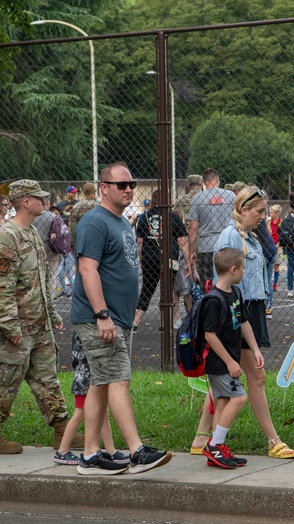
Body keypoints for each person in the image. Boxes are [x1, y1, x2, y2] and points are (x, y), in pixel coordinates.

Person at [72, 163, 171, 475]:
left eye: (132, 183)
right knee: (117, 378)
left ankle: (89, 455)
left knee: (100, 384)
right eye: (121, 184)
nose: (129, 189)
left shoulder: (121, 222)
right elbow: (87, 270)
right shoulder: (94, 223)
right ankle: (137, 451)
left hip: (118, 318)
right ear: (104, 187)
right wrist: (102, 315)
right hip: (100, 318)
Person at [0, 179, 75, 454]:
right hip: (18, 327)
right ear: (25, 202)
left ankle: (62, 431)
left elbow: (42, 279)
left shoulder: (32, 232)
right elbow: (0, 287)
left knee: (48, 378)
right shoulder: (6, 236)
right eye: (39, 198)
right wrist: (10, 325)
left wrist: (52, 312)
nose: (45, 203)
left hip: (39, 323)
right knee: (6, 379)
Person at [208, 185, 294, 460]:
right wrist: (234, 323)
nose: (263, 216)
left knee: (227, 381)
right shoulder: (231, 237)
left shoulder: (247, 236)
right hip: (239, 314)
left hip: (250, 311)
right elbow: (223, 284)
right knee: (255, 378)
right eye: (259, 211)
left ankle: (209, 441)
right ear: (244, 209)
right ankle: (273, 441)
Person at [196, 248, 254, 469]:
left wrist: (255, 350)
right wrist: (230, 361)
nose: (243, 272)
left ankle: (218, 449)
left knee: (222, 400)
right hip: (219, 362)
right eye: (243, 268)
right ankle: (215, 444)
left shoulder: (235, 293)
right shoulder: (213, 300)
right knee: (239, 399)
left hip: (228, 360)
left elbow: (243, 322)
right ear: (233, 270)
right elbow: (209, 335)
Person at [54, 321, 127, 466]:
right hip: (85, 380)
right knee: (80, 413)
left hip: (92, 378)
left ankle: (111, 450)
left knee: (103, 413)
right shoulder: (85, 328)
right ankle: (62, 451)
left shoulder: (85, 326)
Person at [134, 188, 189, 331]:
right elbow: (182, 241)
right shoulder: (173, 217)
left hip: (149, 256)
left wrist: (140, 259)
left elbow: (139, 241)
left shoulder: (145, 216)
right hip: (170, 257)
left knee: (147, 288)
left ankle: (135, 321)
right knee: (168, 289)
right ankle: (163, 323)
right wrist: (188, 261)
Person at [188, 168, 234, 289]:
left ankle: (211, 305)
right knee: (228, 283)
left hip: (206, 247)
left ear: (203, 182)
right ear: (217, 179)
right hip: (227, 243)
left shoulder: (197, 199)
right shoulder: (230, 196)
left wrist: (191, 251)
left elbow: (193, 227)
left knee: (208, 285)